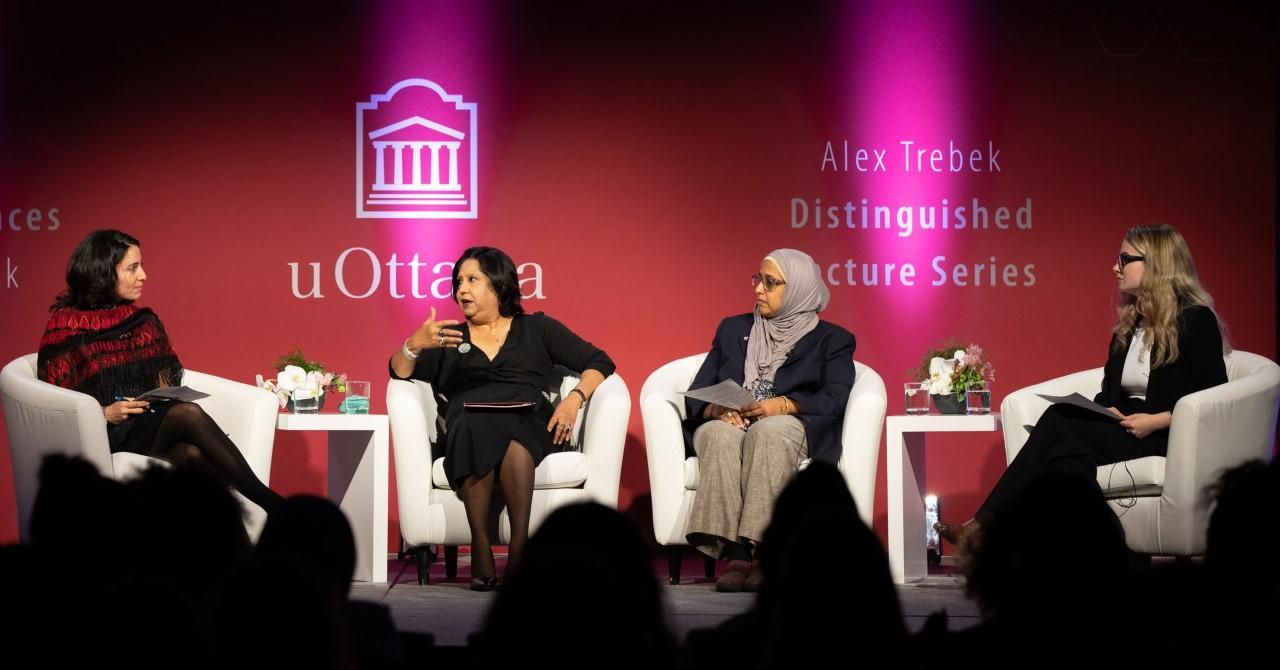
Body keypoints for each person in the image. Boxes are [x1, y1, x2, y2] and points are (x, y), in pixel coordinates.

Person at [935, 224, 1229, 547]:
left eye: (1124, 258)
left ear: (1155, 263)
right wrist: (1106, 409)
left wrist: (1157, 420)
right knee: (1068, 462)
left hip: (1162, 436)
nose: (1115, 267)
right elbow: (1108, 390)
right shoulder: (1130, 324)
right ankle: (1095, 549)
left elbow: (1213, 402)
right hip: (1124, 428)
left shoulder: (1195, 321)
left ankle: (984, 526)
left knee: (1059, 421)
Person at [388, 246, 614, 590]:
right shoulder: (449, 338)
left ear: (498, 285)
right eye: (458, 281)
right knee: (472, 425)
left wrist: (573, 399)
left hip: (529, 418)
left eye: (472, 280)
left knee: (516, 436)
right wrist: (413, 345)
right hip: (469, 421)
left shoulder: (537, 328)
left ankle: (519, 547)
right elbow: (399, 373)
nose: (461, 289)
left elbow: (600, 361)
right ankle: (481, 543)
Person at [37, 229, 283, 513]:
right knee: (187, 413)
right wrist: (104, 412)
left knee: (190, 456)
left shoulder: (142, 321)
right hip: (102, 433)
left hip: (146, 425)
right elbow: (55, 404)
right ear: (103, 272)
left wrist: (157, 394)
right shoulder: (64, 329)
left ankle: (239, 549)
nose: (144, 275)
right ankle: (273, 505)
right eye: (133, 268)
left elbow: (166, 375)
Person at [683, 248, 856, 592]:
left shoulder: (832, 340)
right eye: (758, 280)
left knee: (769, 433)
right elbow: (698, 391)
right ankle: (735, 554)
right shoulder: (734, 328)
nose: (758, 289)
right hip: (734, 420)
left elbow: (836, 397)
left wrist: (785, 404)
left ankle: (764, 552)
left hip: (790, 422)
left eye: (770, 282)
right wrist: (718, 410)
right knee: (717, 435)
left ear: (798, 290)